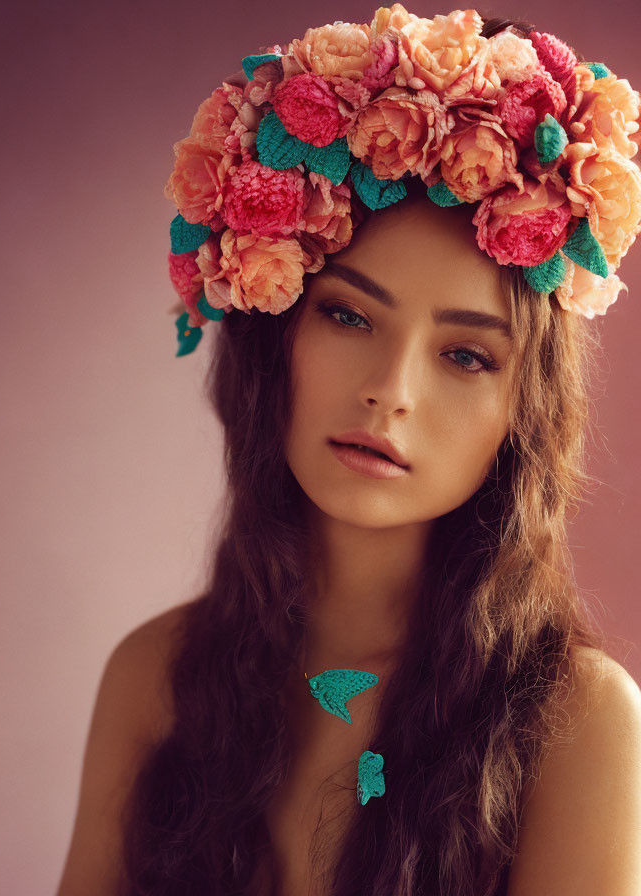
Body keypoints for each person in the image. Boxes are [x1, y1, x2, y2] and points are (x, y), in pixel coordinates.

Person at [56, 9, 641, 896]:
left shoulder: (579, 722)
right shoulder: (155, 677)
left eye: (465, 355)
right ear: (273, 323)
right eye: (348, 315)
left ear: (522, 413)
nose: (393, 391)